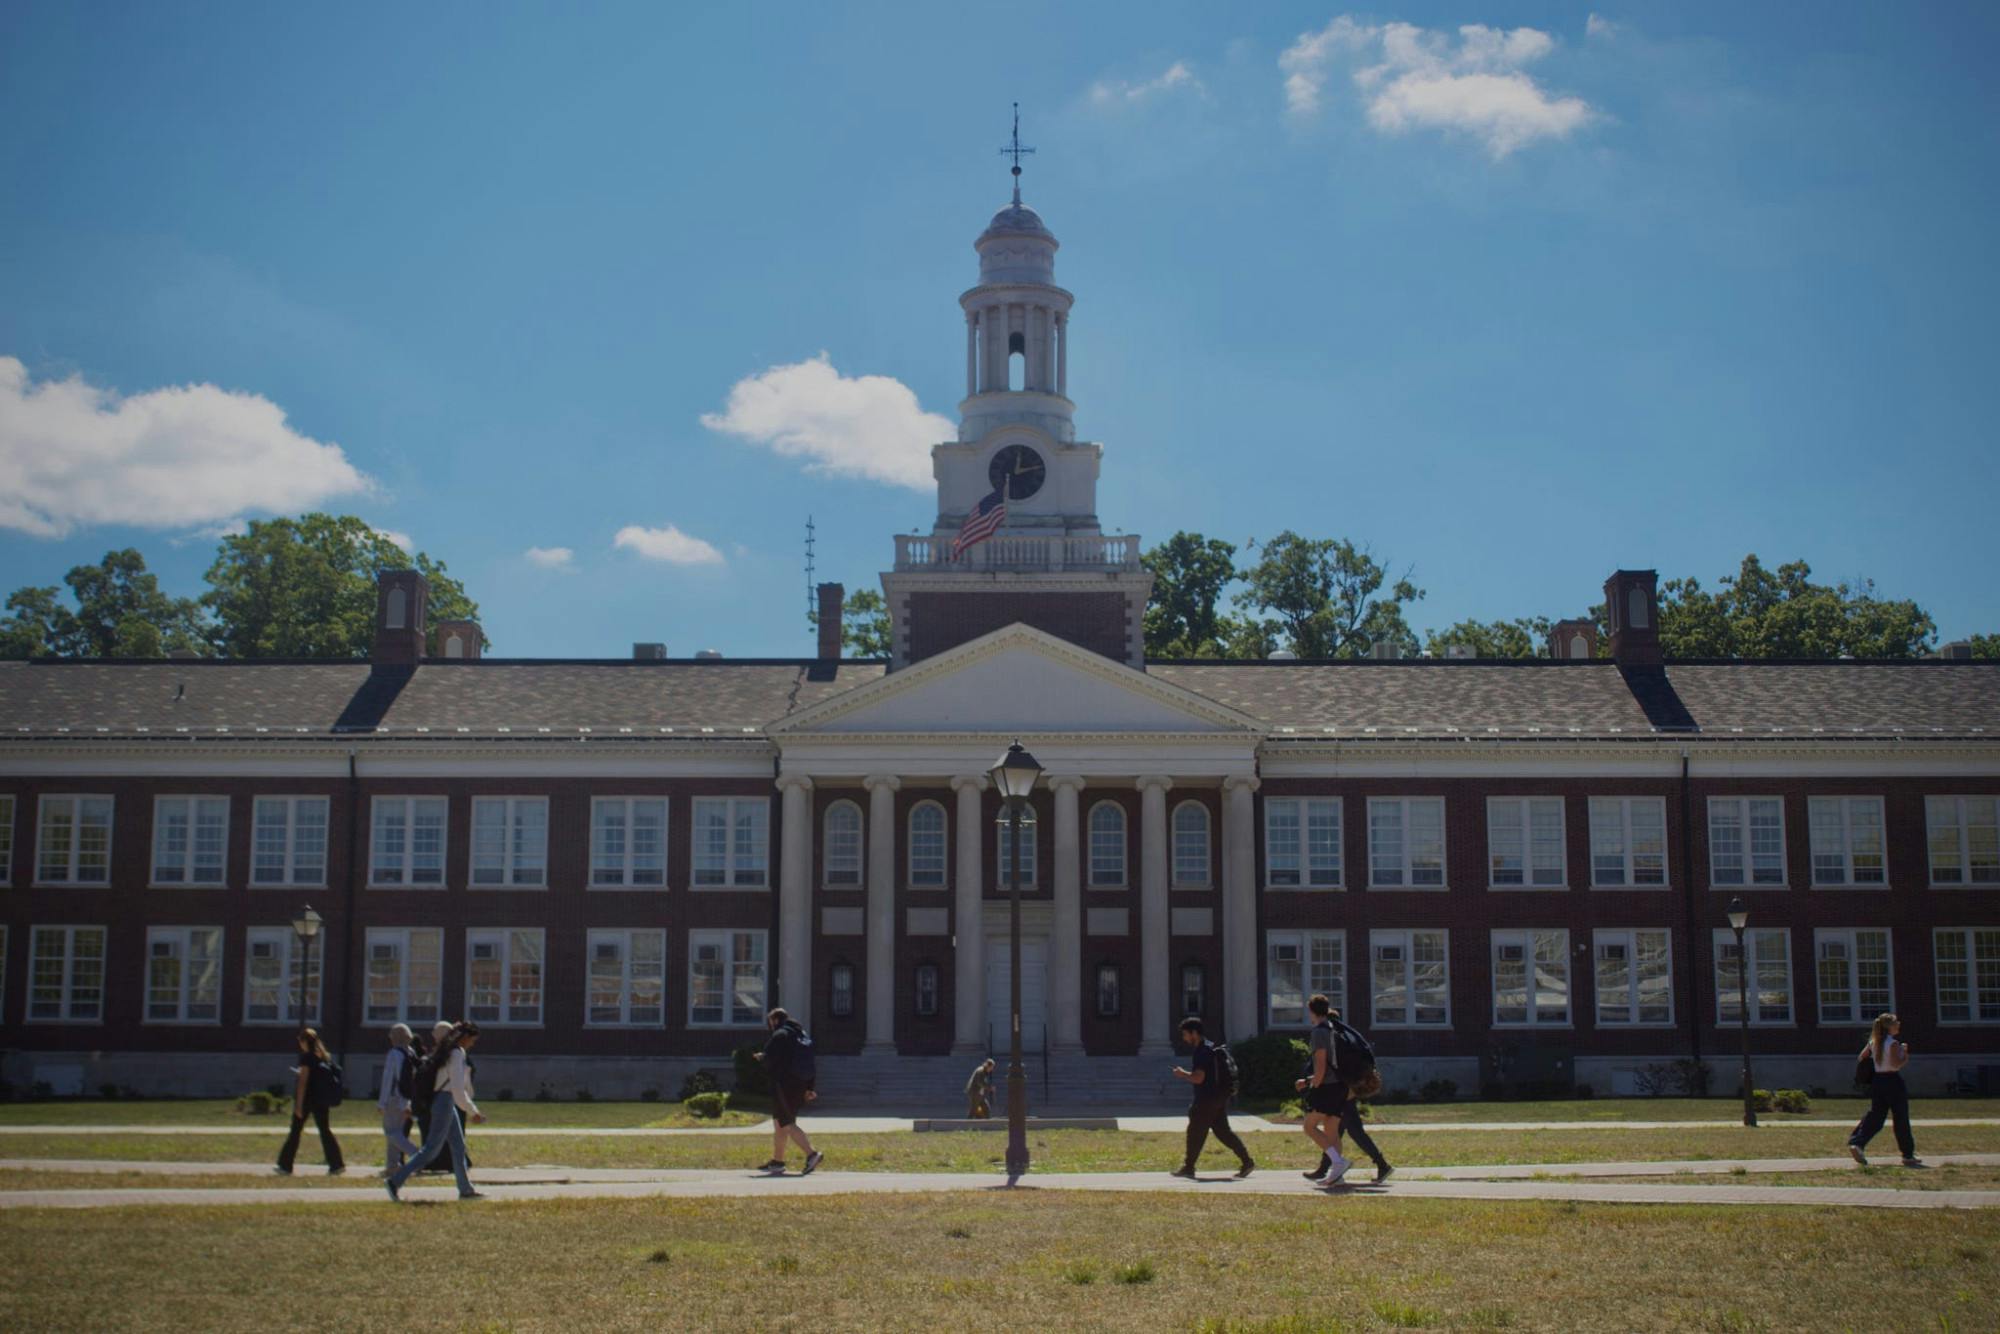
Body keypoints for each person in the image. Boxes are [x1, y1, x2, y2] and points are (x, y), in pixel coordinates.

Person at [385, 1021, 485, 1201]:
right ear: (465, 1037)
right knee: (431, 1149)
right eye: (473, 1040)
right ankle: (395, 1181)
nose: (473, 1044)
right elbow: (457, 1089)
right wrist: (473, 1111)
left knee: (458, 1146)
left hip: (442, 1100)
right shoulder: (456, 1053)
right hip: (445, 1101)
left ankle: (465, 1189)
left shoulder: (445, 1050)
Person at [1170, 1017, 1254, 1180]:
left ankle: (1189, 1167)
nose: (1184, 1038)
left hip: (1207, 1097)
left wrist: (1182, 1074)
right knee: (1223, 1132)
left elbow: (1198, 1078)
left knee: (1195, 1131)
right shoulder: (1211, 1046)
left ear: (1194, 1033)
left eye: (1186, 1034)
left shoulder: (1202, 1051)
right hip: (1219, 1096)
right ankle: (1247, 1161)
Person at [1324, 1006, 1392, 1186]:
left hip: (1344, 1089)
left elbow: (1334, 1065)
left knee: (1353, 1130)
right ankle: (1324, 1168)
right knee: (1337, 1129)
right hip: (1350, 1086)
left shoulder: (1334, 1036)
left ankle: (1382, 1164)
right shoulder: (1349, 1035)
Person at [752, 1007, 821, 1175]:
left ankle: (812, 1154)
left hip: (784, 1084)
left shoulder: (780, 1035)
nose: (770, 1026)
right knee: (780, 1123)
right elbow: (810, 1062)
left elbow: (770, 1059)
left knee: (787, 1122)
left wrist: (762, 1058)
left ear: (774, 1020)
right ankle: (777, 1161)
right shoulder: (801, 1035)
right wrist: (810, 1087)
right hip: (801, 1083)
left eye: (770, 1023)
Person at [1848, 1012, 1921, 1167]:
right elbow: (1896, 1064)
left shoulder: (1873, 1042)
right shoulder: (1893, 1043)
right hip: (1893, 1080)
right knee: (1900, 1117)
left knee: (1876, 1115)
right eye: (1896, 1022)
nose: (1899, 1024)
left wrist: (1875, 1064)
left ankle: (1858, 1143)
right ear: (1890, 1026)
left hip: (1878, 1081)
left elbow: (1862, 1057)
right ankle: (1908, 1154)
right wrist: (1905, 1054)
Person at [1294, 995, 1351, 1184]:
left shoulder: (1319, 1032)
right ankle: (1337, 1176)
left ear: (1312, 1011)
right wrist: (1309, 1080)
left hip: (1327, 1087)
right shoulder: (1334, 1029)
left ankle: (1338, 1161)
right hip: (1341, 1085)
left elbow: (1320, 1066)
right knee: (1331, 1131)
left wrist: (1312, 1084)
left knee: (1309, 1126)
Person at [274, 1027, 346, 1176]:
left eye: (300, 1041)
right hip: (321, 1100)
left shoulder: (306, 1057)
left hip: (308, 1099)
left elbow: (303, 1083)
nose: (300, 1044)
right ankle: (337, 1164)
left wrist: (298, 1105)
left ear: (304, 1041)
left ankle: (285, 1165)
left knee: (295, 1131)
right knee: (325, 1131)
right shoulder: (322, 1057)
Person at [377, 1023, 421, 1176]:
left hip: (393, 1098)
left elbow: (388, 1079)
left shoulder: (393, 1054)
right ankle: (392, 1165)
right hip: (407, 1098)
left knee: (390, 1132)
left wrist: (382, 1102)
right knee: (396, 1132)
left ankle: (416, 1153)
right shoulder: (411, 1053)